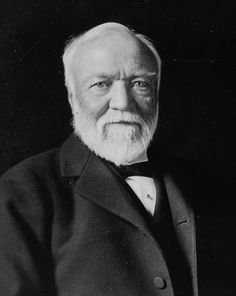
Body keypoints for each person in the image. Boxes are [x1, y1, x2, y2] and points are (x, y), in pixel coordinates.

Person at [0, 22, 234, 296]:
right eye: (101, 84)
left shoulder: (204, 184)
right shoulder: (21, 191)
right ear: (73, 97)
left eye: (139, 83)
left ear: (156, 95)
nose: (122, 102)